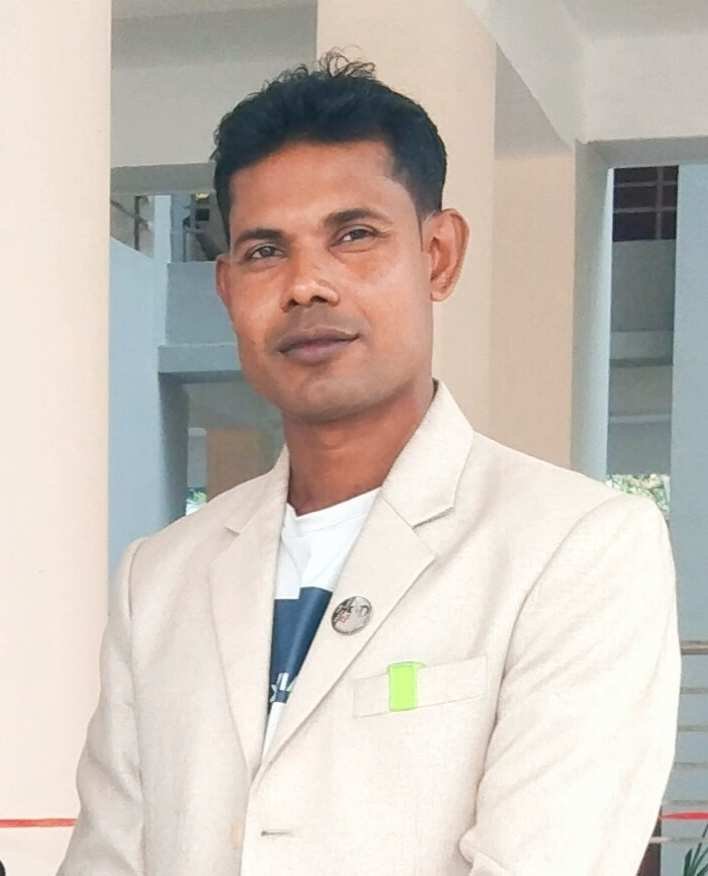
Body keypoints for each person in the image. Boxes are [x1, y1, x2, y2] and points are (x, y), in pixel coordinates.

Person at [58, 51, 681, 876]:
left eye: (354, 236)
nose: (306, 285)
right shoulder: (161, 579)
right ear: (227, 289)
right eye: (265, 251)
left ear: (439, 255)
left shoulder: (575, 549)